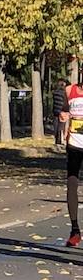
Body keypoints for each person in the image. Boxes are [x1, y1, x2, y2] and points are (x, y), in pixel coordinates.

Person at [64, 72, 83, 247]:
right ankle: (75, 230)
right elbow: (63, 112)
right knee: (71, 183)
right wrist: (64, 116)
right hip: (75, 144)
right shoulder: (70, 90)